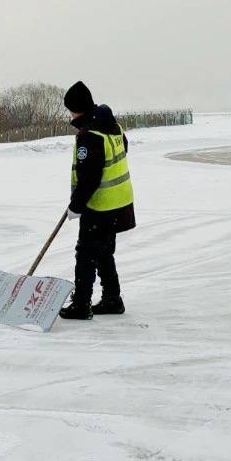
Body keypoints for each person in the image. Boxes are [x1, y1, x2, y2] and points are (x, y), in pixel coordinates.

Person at [59, 81, 136, 320]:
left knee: (85, 253)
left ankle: (81, 304)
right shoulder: (112, 126)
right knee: (103, 252)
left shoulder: (89, 134)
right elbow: (123, 148)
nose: (70, 114)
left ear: (76, 108)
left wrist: (76, 206)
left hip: (100, 205)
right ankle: (113, 299)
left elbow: (89, 177)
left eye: (70, 109)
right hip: (120, 202)